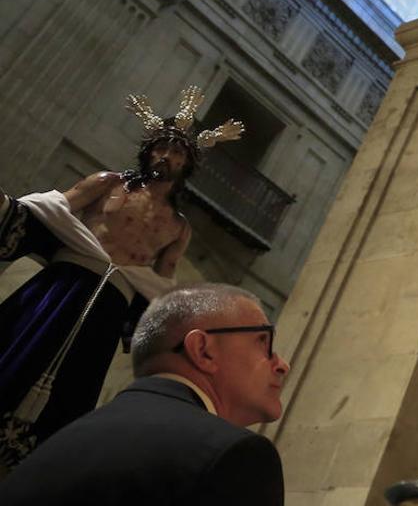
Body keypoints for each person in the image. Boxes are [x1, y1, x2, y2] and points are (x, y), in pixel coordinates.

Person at [0, 87, 243, 470]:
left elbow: (160, 290)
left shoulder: (178, 228)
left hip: (107, 312)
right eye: (160, 147)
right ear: (148, 151)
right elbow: (52, 208)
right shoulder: (107, 183)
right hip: (61, 288)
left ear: (187, 164)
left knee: (73, 389)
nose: (165, 155)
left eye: (176, 151)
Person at [0, 283, 289, 505]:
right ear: (203, 350)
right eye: (263, 342)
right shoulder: (234, 456)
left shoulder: (71, 438)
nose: (282, 365)